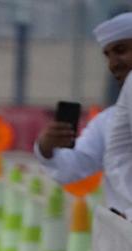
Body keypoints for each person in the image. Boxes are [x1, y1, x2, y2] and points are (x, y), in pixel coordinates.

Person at [34, 11, 132, 213]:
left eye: (121, 50)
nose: (113, 64)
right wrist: (47, 147)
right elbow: (72, 168)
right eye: (108, 55)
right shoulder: (109, 121)